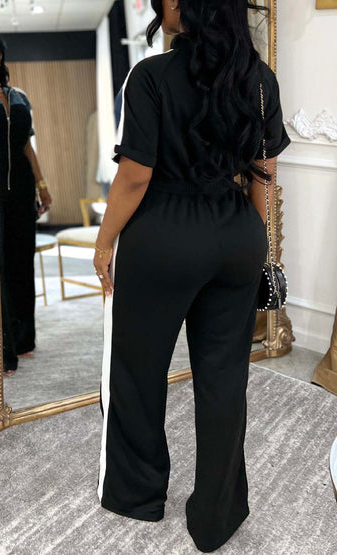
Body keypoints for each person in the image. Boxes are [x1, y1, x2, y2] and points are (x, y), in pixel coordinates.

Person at [93, 0, 291, 552]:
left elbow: (135, 176)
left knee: (138, 369)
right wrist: (250, 240)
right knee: (225, 377)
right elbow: (264, 173)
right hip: (236, 232)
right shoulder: (258, 78)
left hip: (163, 236)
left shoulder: (150, 76)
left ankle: (138, 494)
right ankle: (217, 514)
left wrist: (104, 241)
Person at [0, 30, 52, 375]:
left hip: (23, 188)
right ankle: (6, 345)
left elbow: (28, 145)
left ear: (2, 53)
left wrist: (42, 185)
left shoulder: (19, 96)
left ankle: (25, 338)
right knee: (0, 266)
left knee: (22, 262)